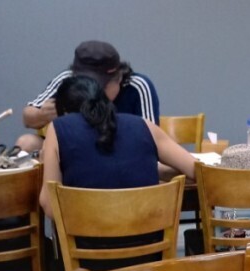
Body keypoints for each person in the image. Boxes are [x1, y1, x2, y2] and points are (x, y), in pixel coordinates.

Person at [39, 75, 194, 219]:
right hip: (150, 236)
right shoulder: (143, 125)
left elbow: (50, 207)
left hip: (86, 238)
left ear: (64, 112)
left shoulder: (58, 128)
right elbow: (196, 169)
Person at [18, 41, 160, 152]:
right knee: (27, 143)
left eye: (100, 87)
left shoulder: (138, 86)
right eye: (84, 86)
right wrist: (42, 115)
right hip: (73, 147)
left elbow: (151, 138)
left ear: (119, 77)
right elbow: (27, 117)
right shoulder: (66, 80)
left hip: (119, 149)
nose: (92, 93)